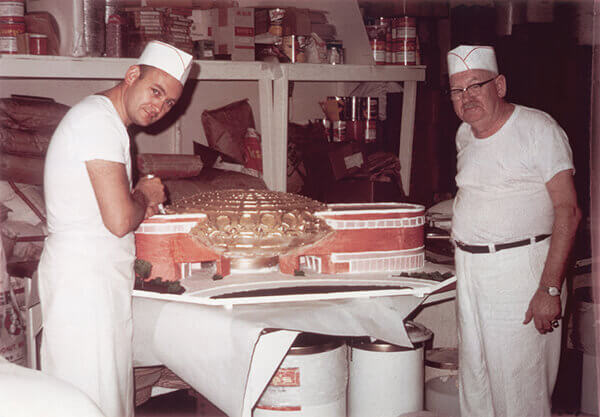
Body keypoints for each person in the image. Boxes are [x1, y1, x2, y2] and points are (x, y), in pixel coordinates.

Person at [37, 40, 193, 417]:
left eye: (169, 102)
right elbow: (119, 218)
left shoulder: (107, 122)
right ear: (132, 74)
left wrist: (141, 203)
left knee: (105, 398)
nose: (159, 107)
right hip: (83, 285)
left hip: (95, 281)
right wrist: (143, 192)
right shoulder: (98, 121)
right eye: (156, 91)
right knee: (88, 401)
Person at [447, 45, 581, 417]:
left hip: (520, 271)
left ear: (500, 85)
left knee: (521, 391)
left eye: (476, 86)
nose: (467, 98)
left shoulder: (539, 129)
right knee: (476, 382)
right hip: (471, 271)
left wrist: (549, 288)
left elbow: (567, 211)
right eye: (457, 90)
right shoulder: (465, 134)